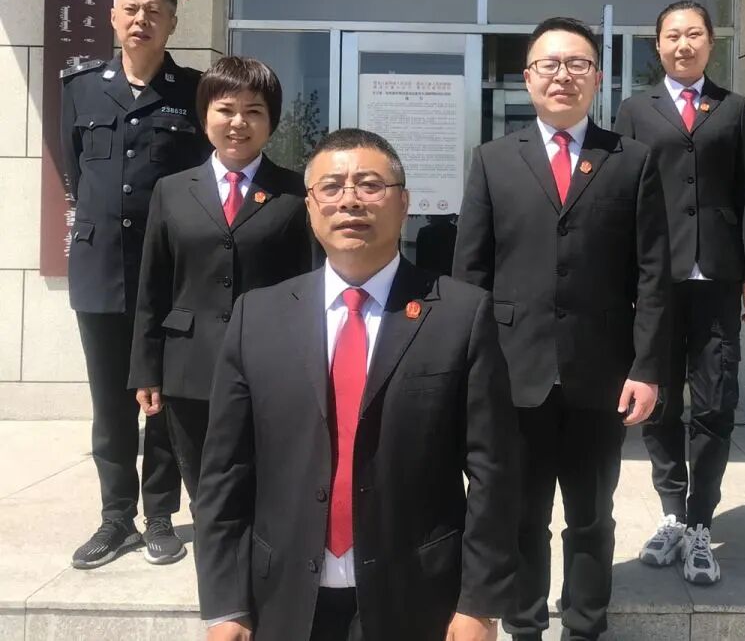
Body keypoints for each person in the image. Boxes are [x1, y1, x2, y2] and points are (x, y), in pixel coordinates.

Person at [195, 128, 519, 641]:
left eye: (370, 185)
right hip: (281, 596)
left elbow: (494, 471)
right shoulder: (256, 316)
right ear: (309, 206)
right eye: (331, 187)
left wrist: (480, 603)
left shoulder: (460, 314)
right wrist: (224, 606)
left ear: (403, 202)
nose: (350, 200)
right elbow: (223, 473)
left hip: (417, 596)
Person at [453, 17, 671, 641]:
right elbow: (471, 274)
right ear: (527, 79)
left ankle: (584, 626)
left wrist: (647, 367)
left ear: (597, 77)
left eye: (577, 64)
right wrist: (466, 370)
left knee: (591, 516)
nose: (563, 76)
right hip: (512, 372)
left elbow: (654, 274)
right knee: (521, 515)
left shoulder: (632, 160)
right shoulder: (494, 160)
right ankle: (524, 626)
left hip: (600, 375)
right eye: (548, 64)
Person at [613, 0, 745, 585]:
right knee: (657, 400)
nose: (684, 44)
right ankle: (672, 513)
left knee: (715, 401)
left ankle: (701, 521)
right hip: (655, 281)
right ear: (657, 45)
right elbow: (620, 196)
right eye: (673, 36)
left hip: (719, 279)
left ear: (710, 43)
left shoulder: (733, 108)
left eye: (694, 34)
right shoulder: (635, 110)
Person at [61, 0, 210, 569]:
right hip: (101, 268)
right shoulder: (80, 87)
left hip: (169, 271)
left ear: (172, 23)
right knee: (110, 404)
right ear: (113, 18)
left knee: (164, 401)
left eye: (153, 11)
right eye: (130, 9)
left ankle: (160, 516)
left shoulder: (193, 91)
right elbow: (75, 169)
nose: (141, 20)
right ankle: (115, 517)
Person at [128, 56, 313, 503]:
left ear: (271, 121)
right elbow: (152, 286)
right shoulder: (172, 190)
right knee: (205, 492)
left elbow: (309, 287)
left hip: (271, 367)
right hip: (189, 367)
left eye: (253, 111)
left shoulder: (295, 193)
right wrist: (146, 370)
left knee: (266, 488)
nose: (238, 123)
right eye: (226, 109)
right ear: (204, 115)